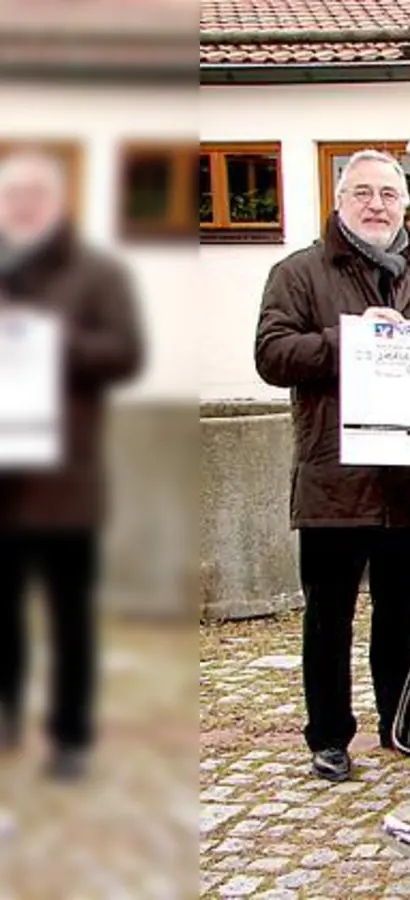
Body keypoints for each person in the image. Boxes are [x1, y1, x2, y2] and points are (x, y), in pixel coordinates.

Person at [254, 149, 410, 783]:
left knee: (401, 608)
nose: (376, 205)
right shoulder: (298, 272)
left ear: (407, 206)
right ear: (340, 200)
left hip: (406, 475)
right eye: (362, 193)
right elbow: (271, 354)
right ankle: (329, 735)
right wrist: (349, 338)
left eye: (389, 195)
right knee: (330, 610)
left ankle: (400, 723)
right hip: (333, 475)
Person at [0, 148, 144, 781]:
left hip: (65, 479)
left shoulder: (95, 273)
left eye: (37, 195)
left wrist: (55, 341)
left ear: (56, 205)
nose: (24, 206)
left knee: (68, 615)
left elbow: (125, 353)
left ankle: (70, 736)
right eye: (14, 195)